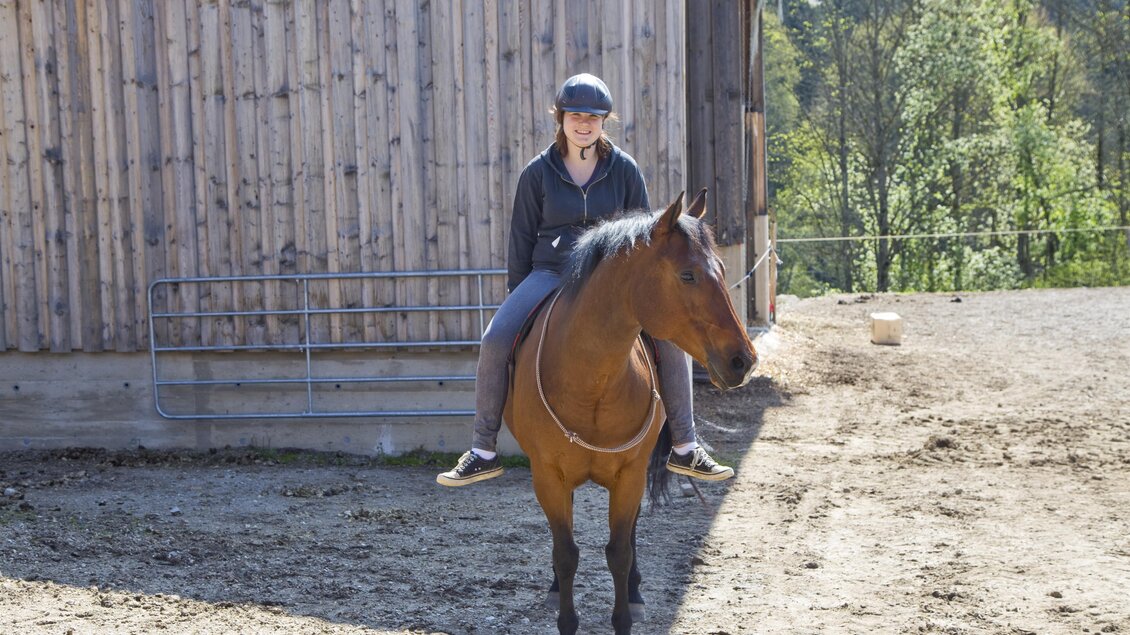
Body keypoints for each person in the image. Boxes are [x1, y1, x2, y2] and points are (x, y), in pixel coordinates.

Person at [437, 73, 733, 487]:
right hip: (549, 274)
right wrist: (518, 296)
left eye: (593, 117)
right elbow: (521, 239)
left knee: (669, 342)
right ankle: (483, 448)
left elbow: (648, 240)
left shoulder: (624, 170)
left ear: (604, 122)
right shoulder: (537, 174)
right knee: (495, 338)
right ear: (560, 118)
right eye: (575, 115)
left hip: (612, 285)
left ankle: (686, 446)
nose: (583, 124)